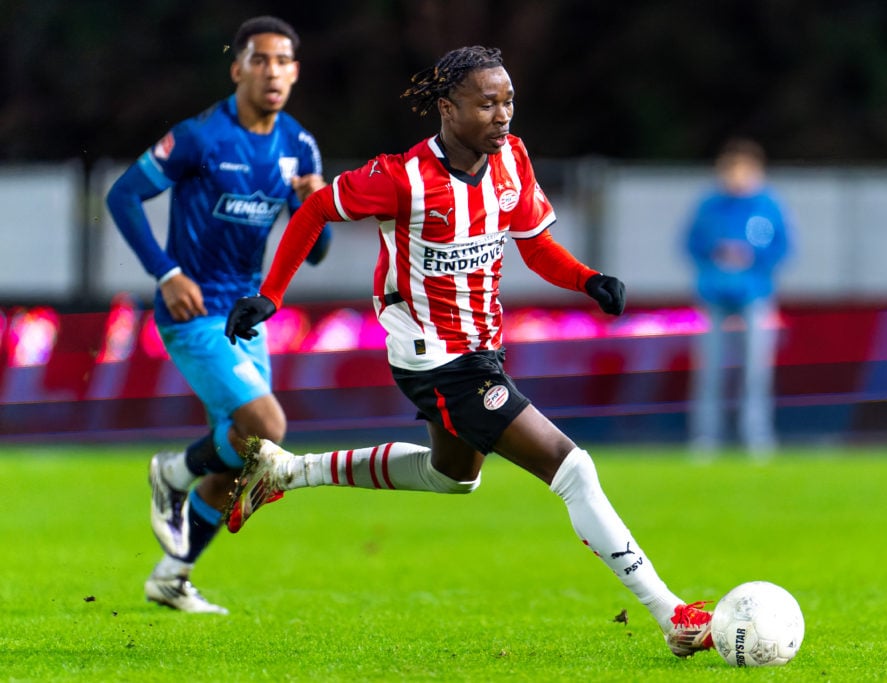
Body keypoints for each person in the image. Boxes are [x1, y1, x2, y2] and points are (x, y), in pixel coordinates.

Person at [223, 45, 714, 659]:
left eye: (508, 100)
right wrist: (269, 296)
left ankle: (288, 471)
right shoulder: (402, 179)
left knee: (453, 477)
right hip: (435, 358)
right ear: (449, 108)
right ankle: (671, 614)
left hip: (481, 350)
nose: (502, 115)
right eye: (487, 103)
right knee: (573, 468)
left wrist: (587, 279)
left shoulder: (511, 159)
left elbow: (535, 246)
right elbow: (319, 207)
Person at [105, 15, 332, 614]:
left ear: (296, 72)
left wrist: (315, 208)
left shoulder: (299, 146)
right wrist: (166, 272)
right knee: (270, 427)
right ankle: (172, 475)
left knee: (245, 451)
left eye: (284, 61)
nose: (273, 71)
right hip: (194, 308)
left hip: (246, 316)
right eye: (260, 59)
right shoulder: (201, 137)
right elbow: (123, 194)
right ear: (237, 68)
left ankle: (173, 576)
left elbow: (318, 250)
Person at [682, 138, 792, 457]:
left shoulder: (768, 205)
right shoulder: (710, 205)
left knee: (756, 371)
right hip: (714, 296)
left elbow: (783, 248)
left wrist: (753, 259)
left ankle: (756, 436)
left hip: (755, 296)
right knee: (710, 370)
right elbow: (691, 243)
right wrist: (716, 255)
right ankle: (706, 438)